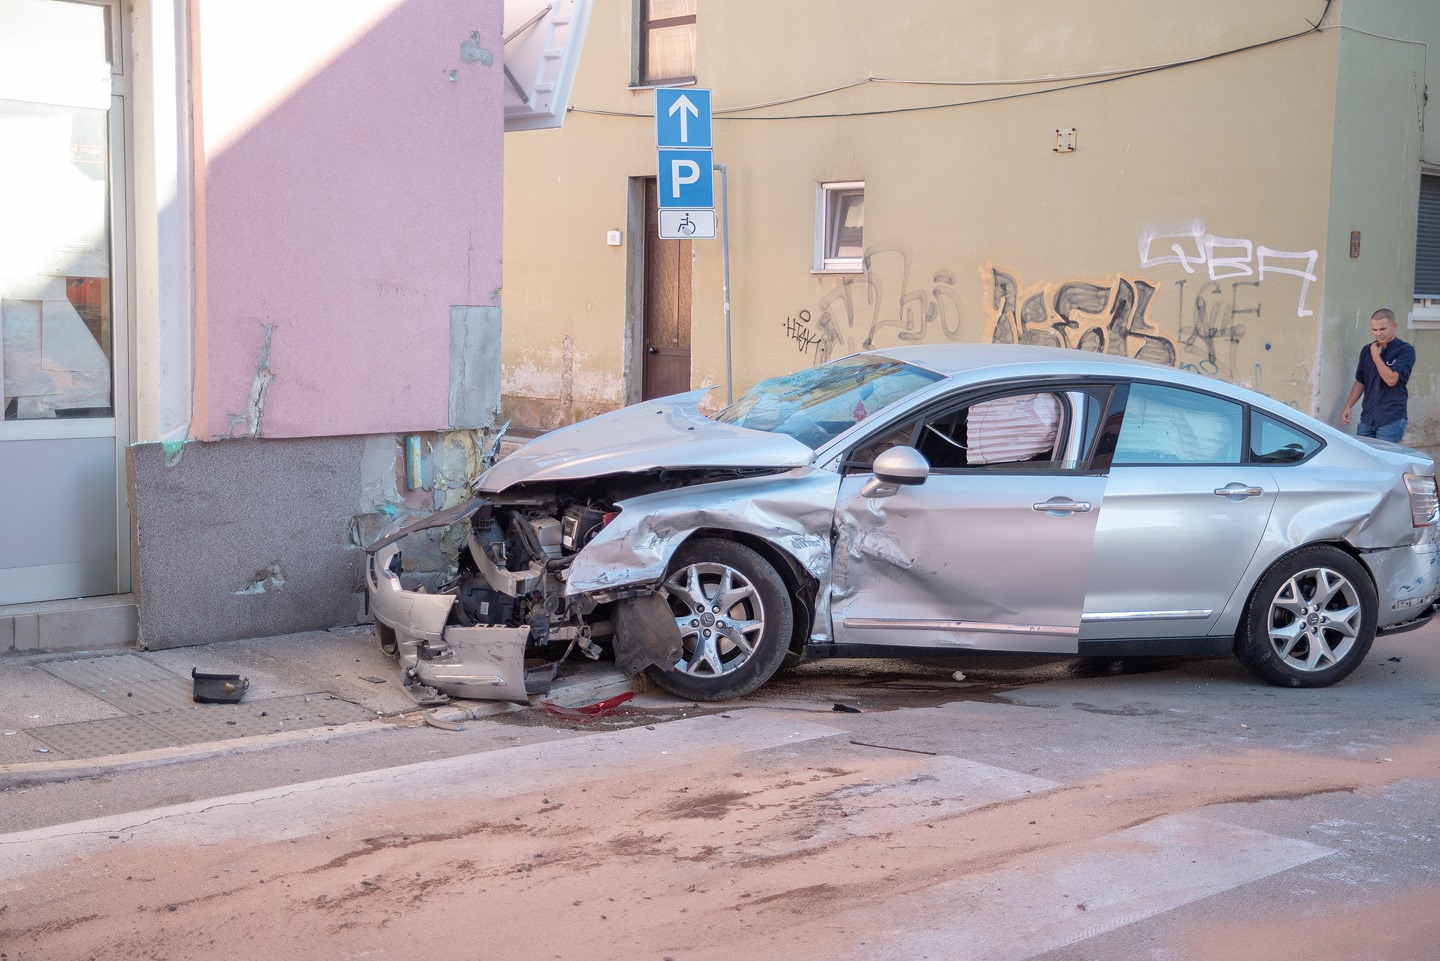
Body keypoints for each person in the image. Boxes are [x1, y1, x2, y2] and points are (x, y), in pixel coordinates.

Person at [1340, 308, 1415, 443]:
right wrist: (1348, 406)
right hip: (1367, 418)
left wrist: (1375, 355)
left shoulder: (1405, 350)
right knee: (1365, 460)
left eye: (1382, 329)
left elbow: (1391, 380)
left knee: (1385, 461)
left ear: (1394, 326)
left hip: (1391, 419)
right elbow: (1360, 382)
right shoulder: (1366, 350)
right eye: (1374, 330)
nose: (1378, 334)